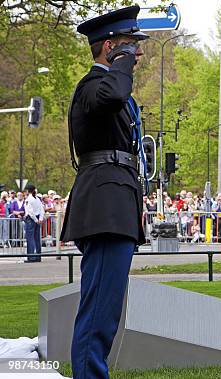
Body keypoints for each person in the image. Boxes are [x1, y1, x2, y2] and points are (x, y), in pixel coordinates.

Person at [59, 6, 148, 379]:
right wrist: (120, 63)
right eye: (130, 46)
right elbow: (112, 95)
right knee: (98, 312)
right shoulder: (95, 86)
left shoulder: (108, 88)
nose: (138, 54)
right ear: (109, 47)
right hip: (104, 206)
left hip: (116, 202)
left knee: (106, 311)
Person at [23, 184, 44, 263]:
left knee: (30, 238)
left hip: (31, 220)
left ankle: (31, 257)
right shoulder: (38, 199)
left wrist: (35, 220)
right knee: (37, 238)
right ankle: (38, 256)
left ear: (28, 191)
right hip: (38, 218)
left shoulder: (29, 199)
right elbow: (42, 209)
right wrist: (40, 219)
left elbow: (30, 212)